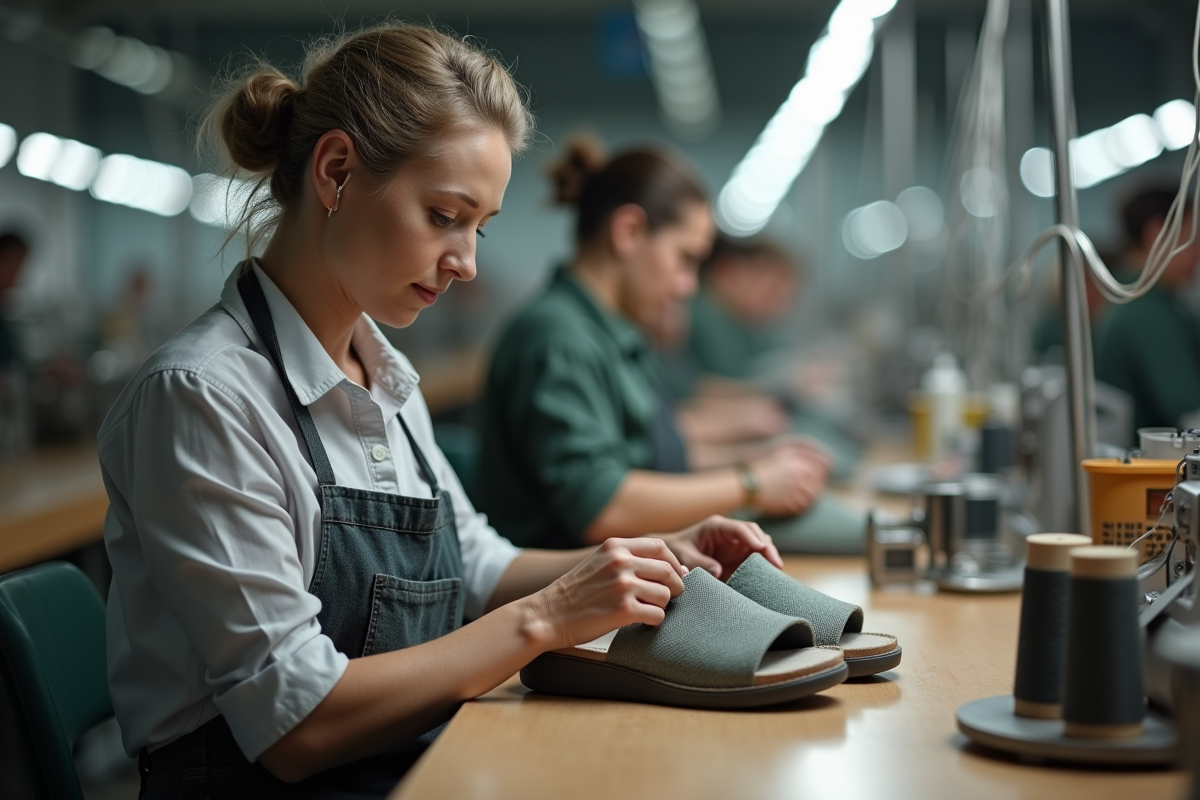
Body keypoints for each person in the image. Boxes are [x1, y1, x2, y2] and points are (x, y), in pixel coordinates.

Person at [102, 25, 783, 798]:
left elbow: (476, 564)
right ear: (336, 172)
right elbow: (296, 724)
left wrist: (656, 555)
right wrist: (547, 617)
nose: (467, 263)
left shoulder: (382, 374)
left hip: (405, 763)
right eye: (444, 215)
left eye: (479, 227)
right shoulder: (204, 398)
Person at [474, 138, 865, 554]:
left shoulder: (611, 334)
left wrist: (760, 459)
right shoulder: (558, 339)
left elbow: (652, 455)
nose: (688, 285)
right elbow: (602, 507)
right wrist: (752, 481)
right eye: (684, 258)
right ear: (629, 232)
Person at [1094, 187, 1200, 440]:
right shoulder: (1147, 315)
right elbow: (1189, 415)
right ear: (1157, 234)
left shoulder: (1130, 302)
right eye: (1193, 239)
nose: (1197, 254)